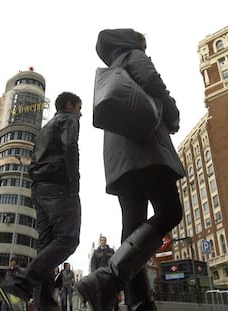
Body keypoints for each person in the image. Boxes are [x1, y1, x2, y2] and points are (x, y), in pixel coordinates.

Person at [75, 28, 185, 311]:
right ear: (133, 42)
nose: (145, 50)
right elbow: (152, 81)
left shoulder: (109, 73)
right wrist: (172, 113)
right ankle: (108, 278)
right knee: (170, 211)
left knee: (132, 226)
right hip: (145, 147)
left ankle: (139, 302)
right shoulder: (133, 56)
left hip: (119, 159)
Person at [0, 91, 82, 311]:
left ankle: (45, 304)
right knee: (67, 239)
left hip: (39, 188)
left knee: (46, 247)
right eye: (79, 108)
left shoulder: (46, 127)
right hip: (59, 186)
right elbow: (70, 147)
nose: (80, 113)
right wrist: (74, 184)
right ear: (70, 104)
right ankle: (19, 283)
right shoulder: (68, 119)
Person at [90, 236, 119, 311]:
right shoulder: (96, 252)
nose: (103, 241)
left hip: (110, 275)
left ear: (106, 241)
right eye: (102, 240)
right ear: (100, 241)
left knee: (112, 294)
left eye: (104, 240)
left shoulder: (111, 251)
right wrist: (94, 273)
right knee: (100, 294)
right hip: (100, 276)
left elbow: (115, 261)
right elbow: (93, 264)